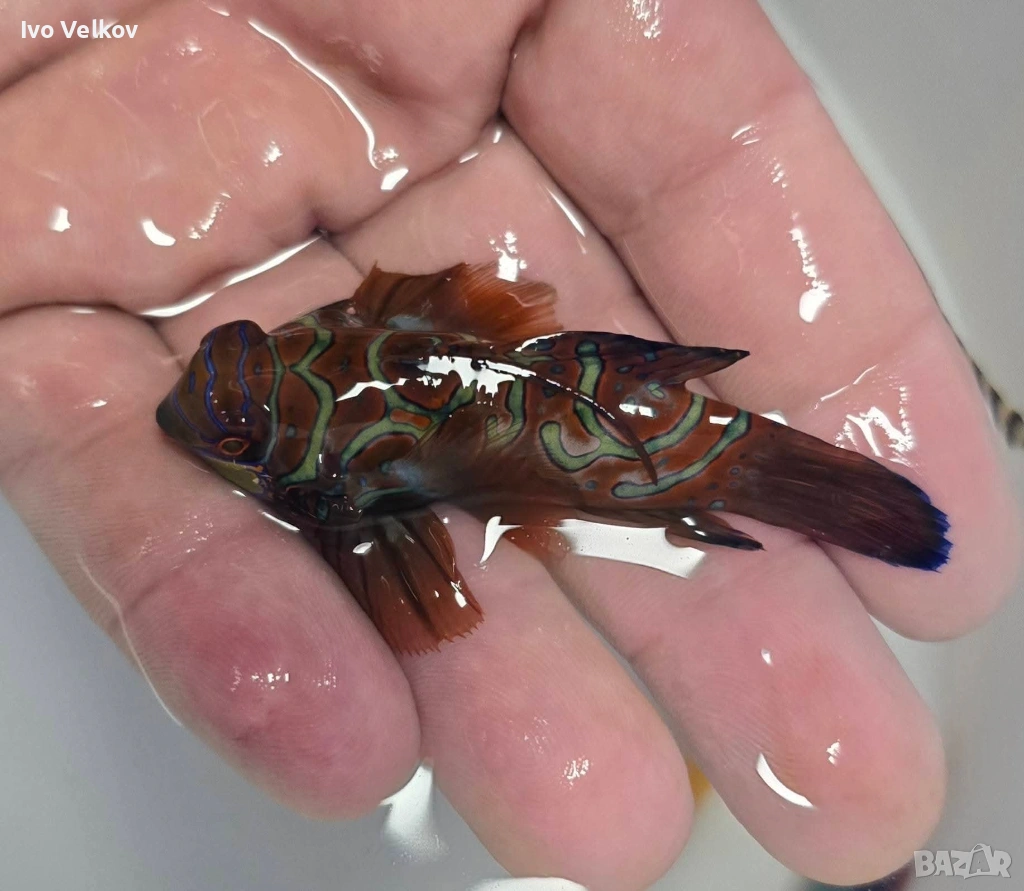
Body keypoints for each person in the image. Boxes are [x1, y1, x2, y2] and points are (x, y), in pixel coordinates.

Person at [0, 2, 1018, 889]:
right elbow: (438, 336)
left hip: (555, 407)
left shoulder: (334, 457)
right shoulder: (334, 354)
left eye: (239, 371)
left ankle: (787, 481)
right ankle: (772, 477)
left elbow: (407, 550)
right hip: (550, 392)